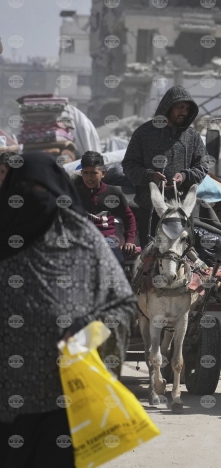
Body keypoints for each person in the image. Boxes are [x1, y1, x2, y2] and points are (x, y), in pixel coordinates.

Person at [0, 152, 136, 468]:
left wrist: (87, 332)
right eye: (25, 190)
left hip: (64, 396)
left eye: (43, 190)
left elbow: (123, 303)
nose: (35, 199)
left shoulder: (82, 238)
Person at [122, 85, 208, 247]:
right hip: (151, 210)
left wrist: (185, 176)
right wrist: (150, 176)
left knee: (181, 256)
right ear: (168, 107)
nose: (184, 112)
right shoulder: (143, 133)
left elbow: (203, 165)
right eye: (180, 107)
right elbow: (129, 165)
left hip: (182, 212)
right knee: (151, 256)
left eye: (187, 109)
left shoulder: (192, 136)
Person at [72, 151, 137, 266]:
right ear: (81, 173)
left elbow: (128, 217)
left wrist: (129, 241)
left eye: (93, 173)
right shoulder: (74, 194)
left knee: (117, 262)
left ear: (103, 173)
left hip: (108, 240)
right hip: (82, 240)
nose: (89, 178)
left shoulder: (113, 192)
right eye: (86, 173)